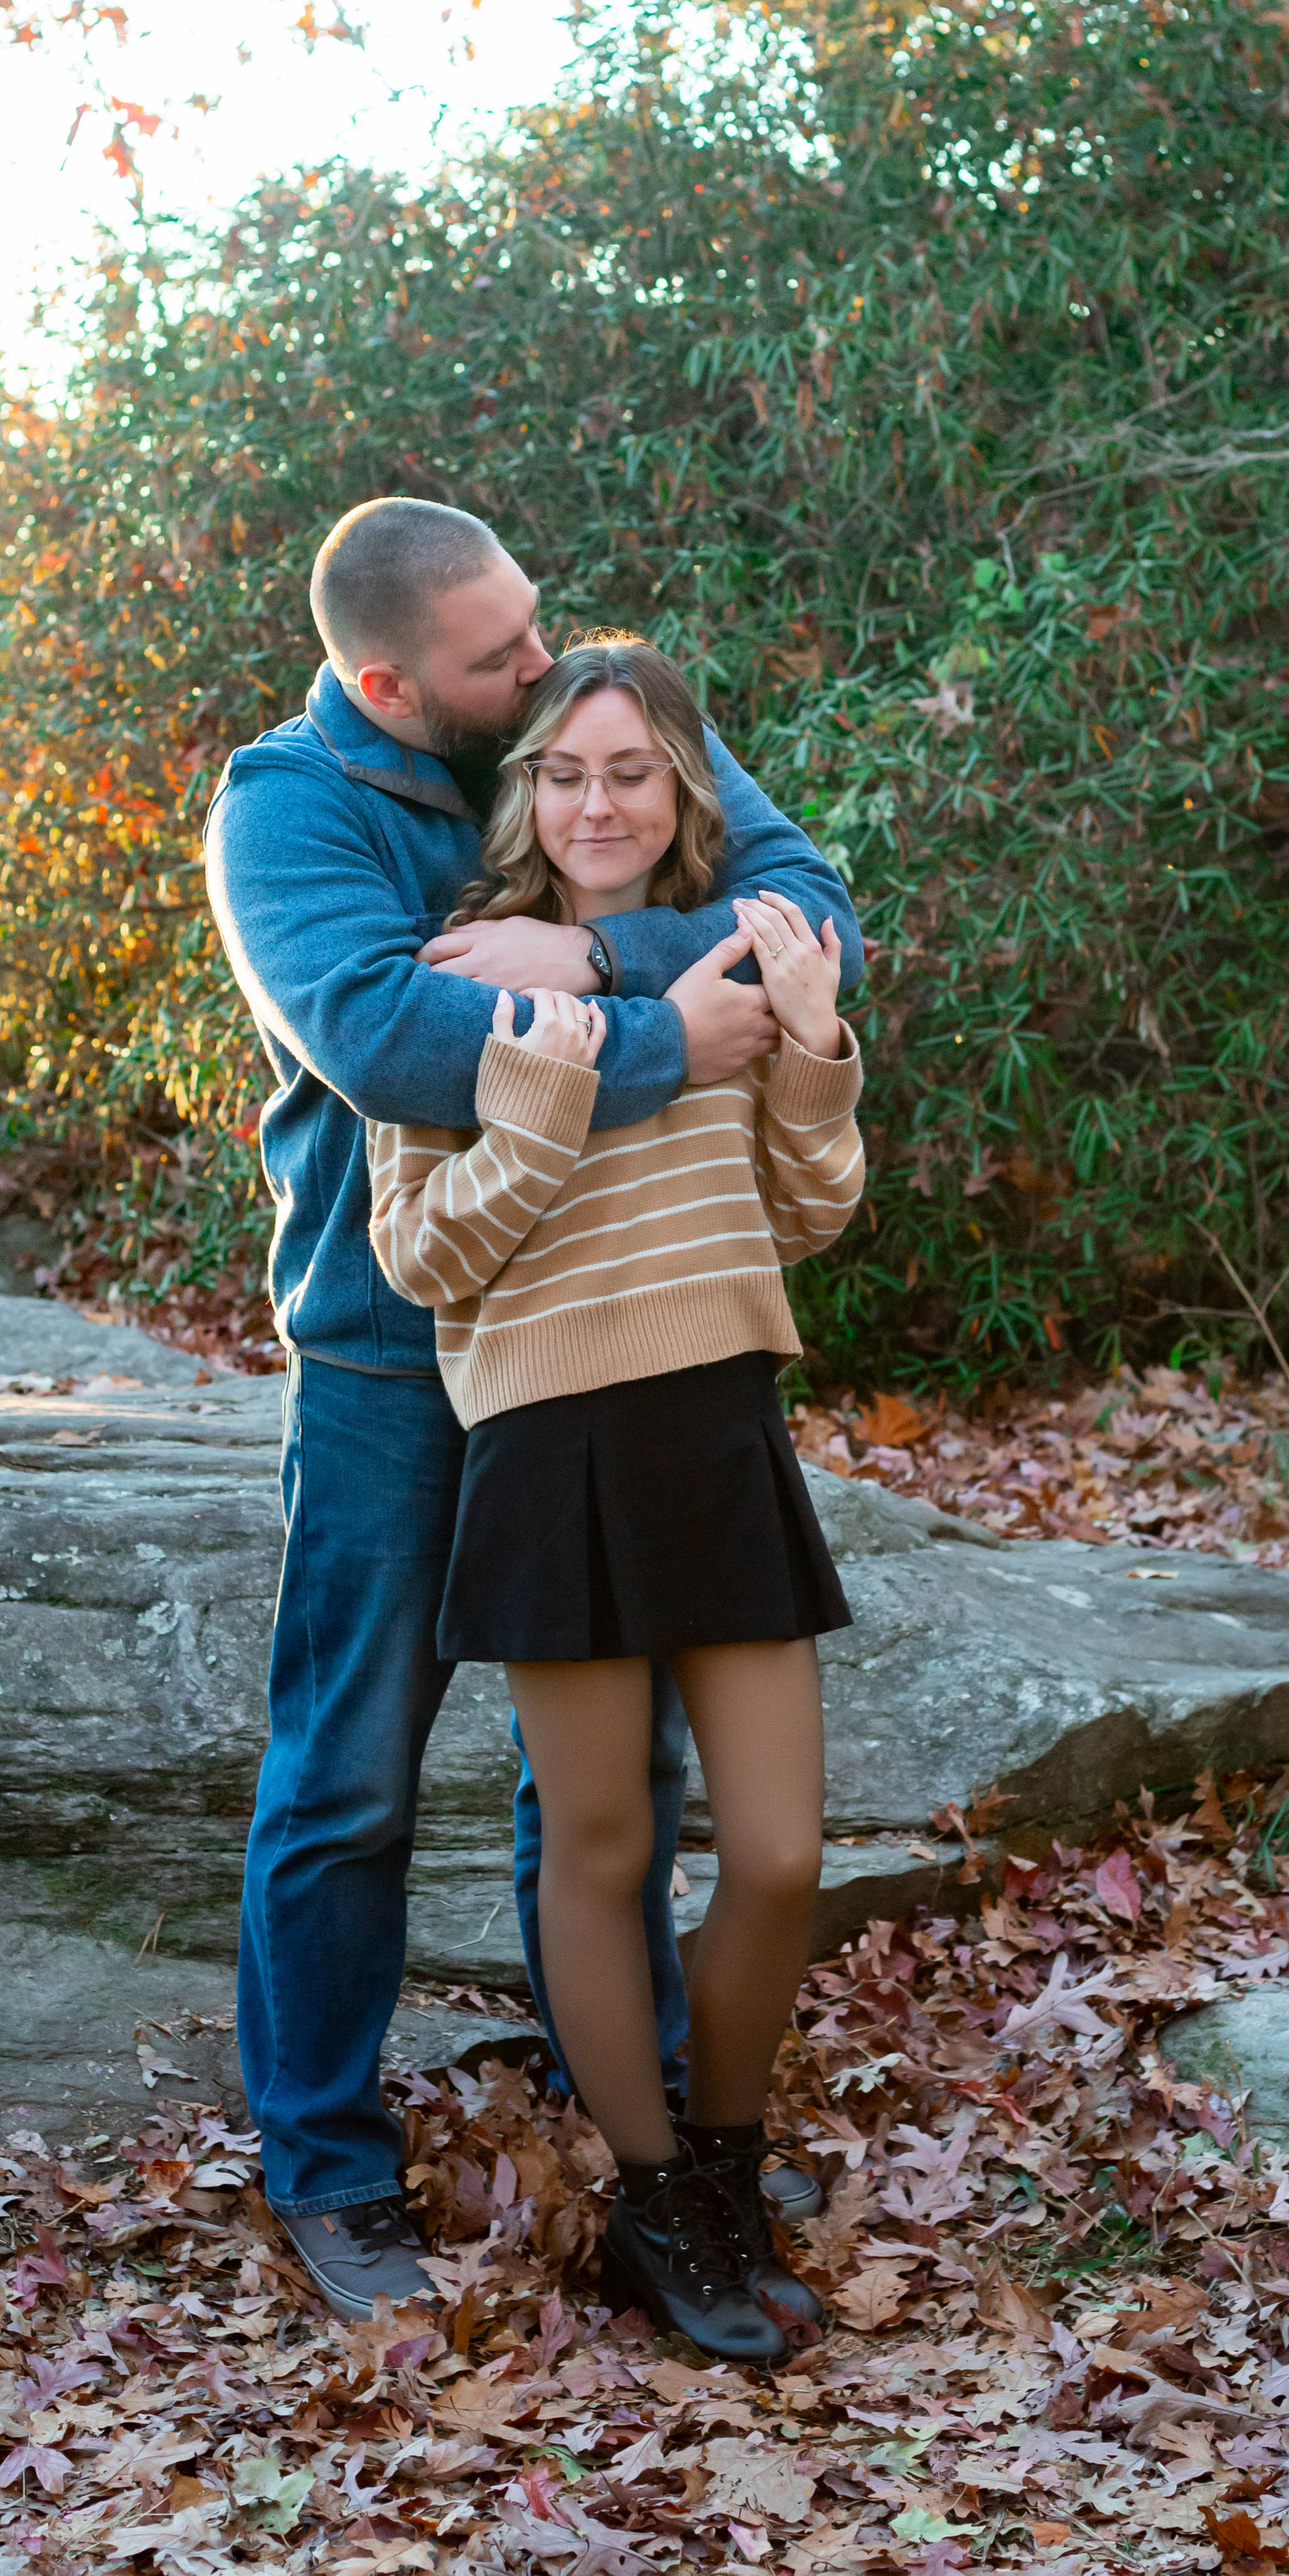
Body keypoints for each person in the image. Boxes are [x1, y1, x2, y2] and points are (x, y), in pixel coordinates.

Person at [206, 497, 864, 2320]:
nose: (538, 665)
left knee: (614, 1784)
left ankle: (634, 2121)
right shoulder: (287, 807)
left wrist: (589, 968)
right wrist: (678, 1037)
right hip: (386, 1342)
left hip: (628, 1345)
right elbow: (393, 1041)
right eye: (499, 657)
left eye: (535, 629)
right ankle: (329, 2169)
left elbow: (812, 918)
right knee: (348, 1769)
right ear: (387, 683)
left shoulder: (581, 708)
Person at [365, 636, 864, 2363]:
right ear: (527, 791)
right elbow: (421, 1251)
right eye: (563, 772)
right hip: (549, 1437)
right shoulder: (455, 975)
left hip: (718, 1421)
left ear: (681, 789)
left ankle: (724, 2163)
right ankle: (658, 2206)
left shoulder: (740, 954)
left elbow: (807, 1210)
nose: (594, 801)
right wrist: (547, 1089)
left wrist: (804, 1052)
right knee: (598, 1846)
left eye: (630, 772)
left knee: (782, 1854)